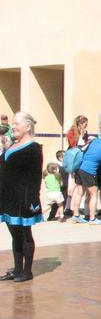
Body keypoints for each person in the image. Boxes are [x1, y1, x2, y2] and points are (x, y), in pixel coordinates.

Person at [0, 112, 44, 282]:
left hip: (23, 198)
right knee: (14, 234)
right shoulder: (11, 145)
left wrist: (33, 199)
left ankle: (27, 271)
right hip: (8, 196)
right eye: (13, 123)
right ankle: (17, 269)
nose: (14, 126)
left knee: (25, 234)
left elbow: (35, 176)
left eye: (17, 123)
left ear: (27, 126)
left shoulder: (33, 148)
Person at [70, 121, 101, 224]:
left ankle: (76, 215)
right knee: (94, 194)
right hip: (89, 170)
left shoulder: (93, 140)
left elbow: (82, 148)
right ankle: (93, 219)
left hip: (80, 168)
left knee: (80, 192)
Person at [66, 115, 89, 217]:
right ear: (80, 124)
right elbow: (73, 144)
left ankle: (81, 207)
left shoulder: (85, 133)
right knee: (72, 184)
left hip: (82, 158)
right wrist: (81, 136)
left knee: (80, 185)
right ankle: (68, 207)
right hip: (74, 158)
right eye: (85, 124)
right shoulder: (71, 132)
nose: (86, 127)